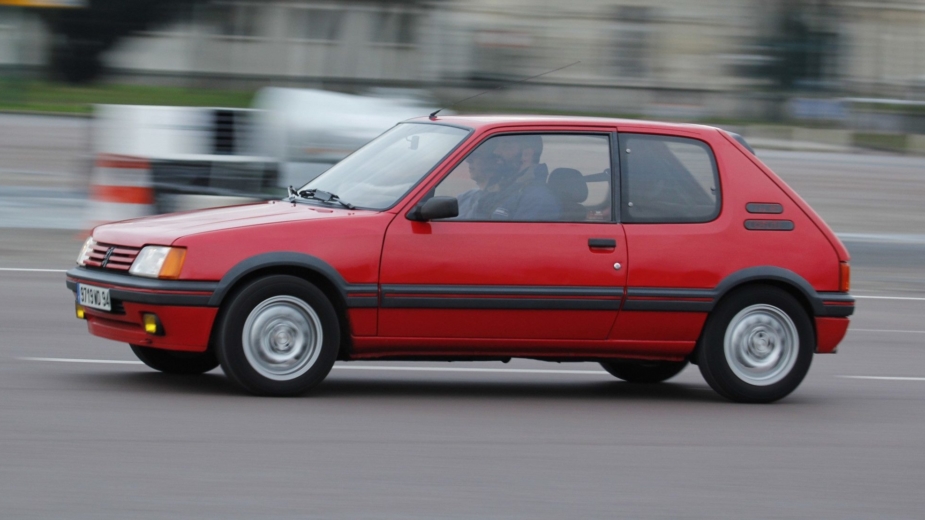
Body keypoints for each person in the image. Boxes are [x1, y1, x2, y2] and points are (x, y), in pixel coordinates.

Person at [473, 135, 560, 221]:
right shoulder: (505, 188)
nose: (496, 151)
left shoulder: (538, 199)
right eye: (498, 145)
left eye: (505, 145)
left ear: (527, 154)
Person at [455, 141, 501, 219]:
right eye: (470, 156)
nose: (468, 160)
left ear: (493, 161)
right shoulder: (464, 197)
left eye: (476, 155)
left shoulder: (502, 200)